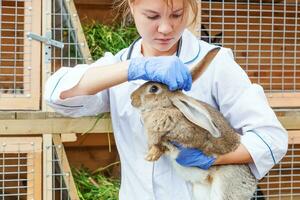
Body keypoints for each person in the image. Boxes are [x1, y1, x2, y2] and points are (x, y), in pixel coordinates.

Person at [44, 0, 288, 199]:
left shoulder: (216, 63)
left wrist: (212, 157)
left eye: (176, 15)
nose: (165, 28)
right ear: (132, 6)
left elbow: (271, 138)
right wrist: (133, 68)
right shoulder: (118, 66)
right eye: (152, 16)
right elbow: (57, 94)